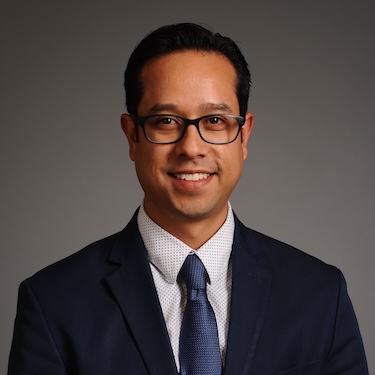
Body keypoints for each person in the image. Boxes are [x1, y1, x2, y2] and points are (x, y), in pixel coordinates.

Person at [8, 23, 368, 375]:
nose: (191, 148)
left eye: (214, 120)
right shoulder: (53, 303)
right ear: (132, 135)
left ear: (244, 136)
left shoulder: (321, 295)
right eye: (166, 120)